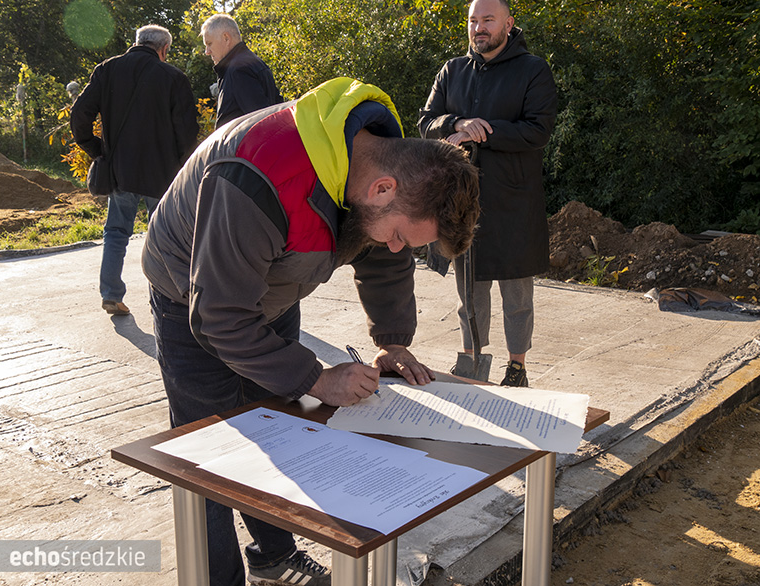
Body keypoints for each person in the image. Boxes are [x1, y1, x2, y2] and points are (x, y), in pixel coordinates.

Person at [142, 77, 480, 586]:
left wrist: (392, 340)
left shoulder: (379, 164)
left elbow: (382, 258)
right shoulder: (260, 172)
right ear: (382, 189)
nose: (397, 248)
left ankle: (273, 556)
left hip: (269, 289)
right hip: (191, 295)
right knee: (209, 455)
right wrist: (317, 379)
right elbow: (220, 315)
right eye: (400, 236)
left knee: (276, 428)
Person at [418, 0, 557, 386]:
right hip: (461, 202)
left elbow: (538, 130)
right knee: (469, 289)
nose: (479, 27)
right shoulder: (452, 70)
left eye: (488, 20)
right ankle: (471, 361)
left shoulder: (533, 70)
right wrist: (457, 123)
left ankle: (517, 368)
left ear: (508, 24)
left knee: (517, 294)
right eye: (473, 20)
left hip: (514, 202)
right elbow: (426, 122)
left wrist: (483, 132)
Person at [71, 24, 199, 316]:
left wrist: (96, 148)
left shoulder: (107, 69)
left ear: (138, 42)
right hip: (162, 174)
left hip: (120, 171)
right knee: (166, 235)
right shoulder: (173, 77)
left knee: (116, 233)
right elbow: (186, 131)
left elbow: (80, 114)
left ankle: (111, 294)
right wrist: (184, 166)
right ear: (164, 49)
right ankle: (169, 296)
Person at [200, 13, 283, 128]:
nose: (207, 52)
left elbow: (261, 121)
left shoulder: (238, 70)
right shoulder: (252, 62)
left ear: (226, 38)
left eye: (209, 44)